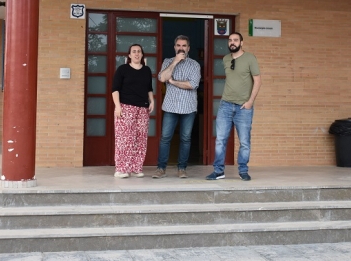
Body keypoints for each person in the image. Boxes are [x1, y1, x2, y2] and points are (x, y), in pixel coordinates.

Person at [206, 32, 261, 182]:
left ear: (241, 43)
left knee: (244, 141)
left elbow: (257, 81)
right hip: (225, 105)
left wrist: (250, 102)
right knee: (220, 140)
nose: (232, 42)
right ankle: (218, 171)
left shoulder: (250, 58)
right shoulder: (225, 59)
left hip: (243, 107)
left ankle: (243, 170)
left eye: (236, 40)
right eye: (230, 40)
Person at [153, 35, 201, 179]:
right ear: (174, 47)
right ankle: (161, 168)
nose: (181, 48)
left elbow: (192, 85)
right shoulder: (167, 62)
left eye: (184, 45)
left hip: (188, 107)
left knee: (185, 139)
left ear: (188, 48)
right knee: (165, 138)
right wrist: (174, 62)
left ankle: (182, 168)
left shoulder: (195, 65)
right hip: (170, 107)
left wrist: (173, 82)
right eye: (178, 45)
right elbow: (162, 78)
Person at [111, 44, 154, 178]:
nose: (136, 54)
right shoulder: (122, 69)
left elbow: (149, 88)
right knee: (124, 139)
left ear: (142, 54)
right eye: (134, 52)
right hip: (125, 107)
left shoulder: (147, 70)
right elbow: (115, 89)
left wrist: (152, 101)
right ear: (129, 55)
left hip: (142, 108)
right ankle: (121, 169)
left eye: (139, 51)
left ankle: (136, 167)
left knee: (140, 139)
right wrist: (117, 106)